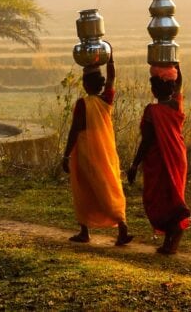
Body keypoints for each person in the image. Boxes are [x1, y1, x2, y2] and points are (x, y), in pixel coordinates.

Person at [61, 49, 132, 246]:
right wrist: (110, 58)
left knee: (84, 189)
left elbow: (75, 130)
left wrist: (66, 155)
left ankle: (84, 231)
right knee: (108, 185)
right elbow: (112, 79)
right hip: (106, 151)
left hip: (85, 152)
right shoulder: (106, 100)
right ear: (100, 84)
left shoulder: (83, 104)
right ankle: (122, 226)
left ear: (84, 84)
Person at [127, 62, 191, 255]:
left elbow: (146, 141)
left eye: (154, 85)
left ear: (155, 89)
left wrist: (135, 164)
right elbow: (179, 83)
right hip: (177, 156)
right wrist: (176, 63)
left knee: (160, 198)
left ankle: (173, 239)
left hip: (160, 160)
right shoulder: (175, 104)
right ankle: (171, 240)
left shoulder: (152, 111)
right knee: (173, 196)